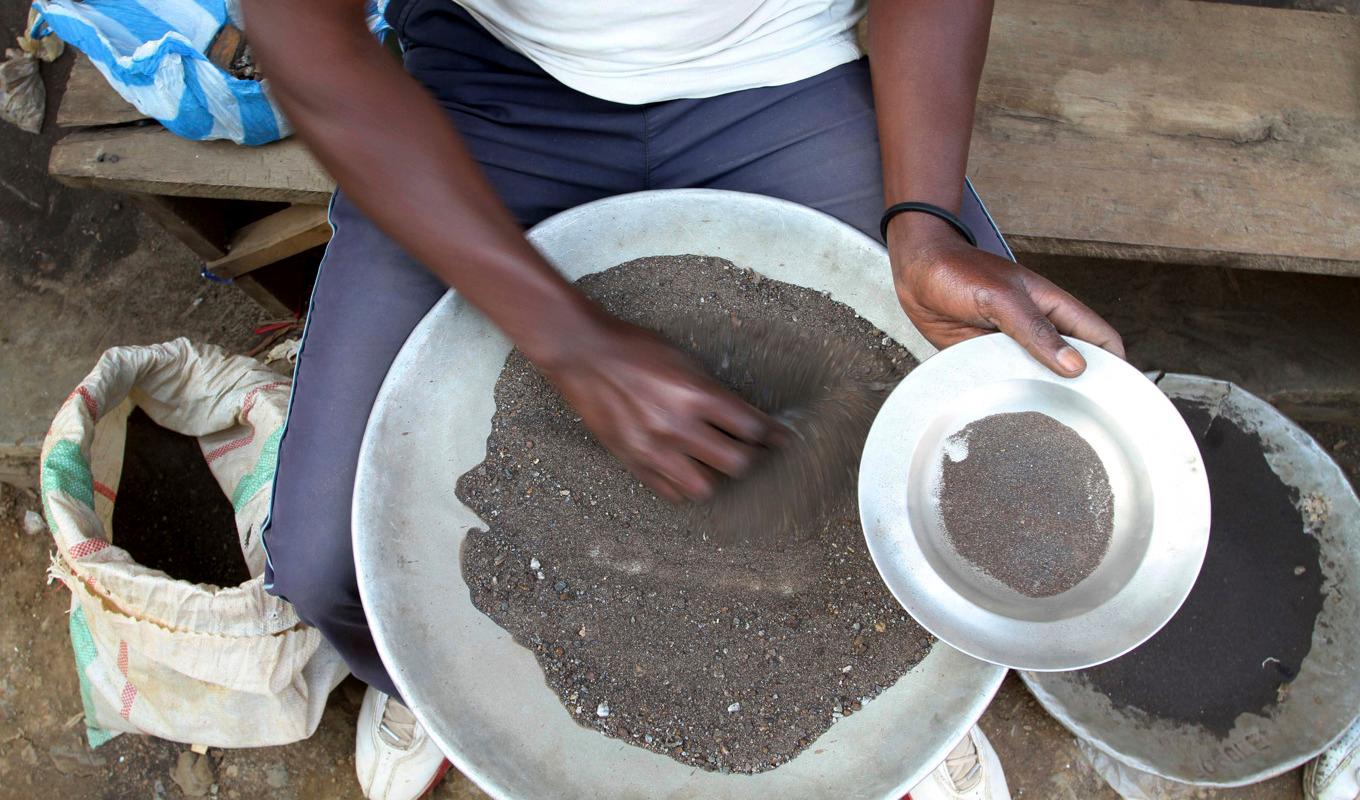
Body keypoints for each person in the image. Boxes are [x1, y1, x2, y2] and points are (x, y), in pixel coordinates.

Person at [242, 1, 1124, 798]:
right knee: (327, 563)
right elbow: (299, 35)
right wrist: (568, 340)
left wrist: (925, 219)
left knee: (963, 464)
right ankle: (420, 682)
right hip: (490, 83)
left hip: (784, 67)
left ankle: (925, 720)